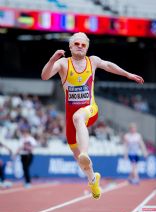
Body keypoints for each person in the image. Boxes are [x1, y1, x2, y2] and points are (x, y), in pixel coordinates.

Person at [41, 32, 144, 199]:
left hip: (90, 109)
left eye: (83, 45)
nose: (80, 47)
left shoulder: (92, 61)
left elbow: (109, 65)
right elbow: (45, 76)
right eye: (77, 44)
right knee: (79, 157)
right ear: (70, 46)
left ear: (87, 47)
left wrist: (127, 74)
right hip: (70, 117)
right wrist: (53, 58)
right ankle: (93, 180)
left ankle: (85, 152)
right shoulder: (63, 63)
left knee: (78, 118)